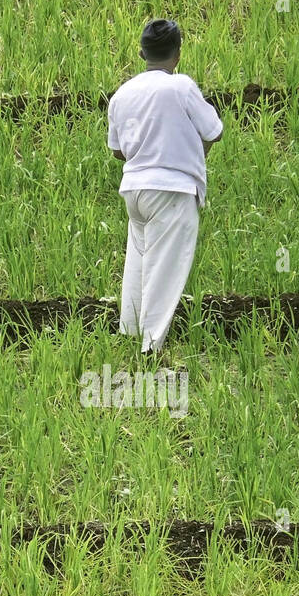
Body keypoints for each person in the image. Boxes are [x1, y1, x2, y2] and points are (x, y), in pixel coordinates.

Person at [107, 19, 223, 354]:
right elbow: (214, 131)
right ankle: (151, 347)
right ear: (178, 54)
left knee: (139, 262)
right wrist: (194, 154)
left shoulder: (122, 93)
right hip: (171, 190)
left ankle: (130, 333)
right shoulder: (181, 87)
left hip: (134, 190)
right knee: (166, 267)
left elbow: (117, 150)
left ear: (142, 52)